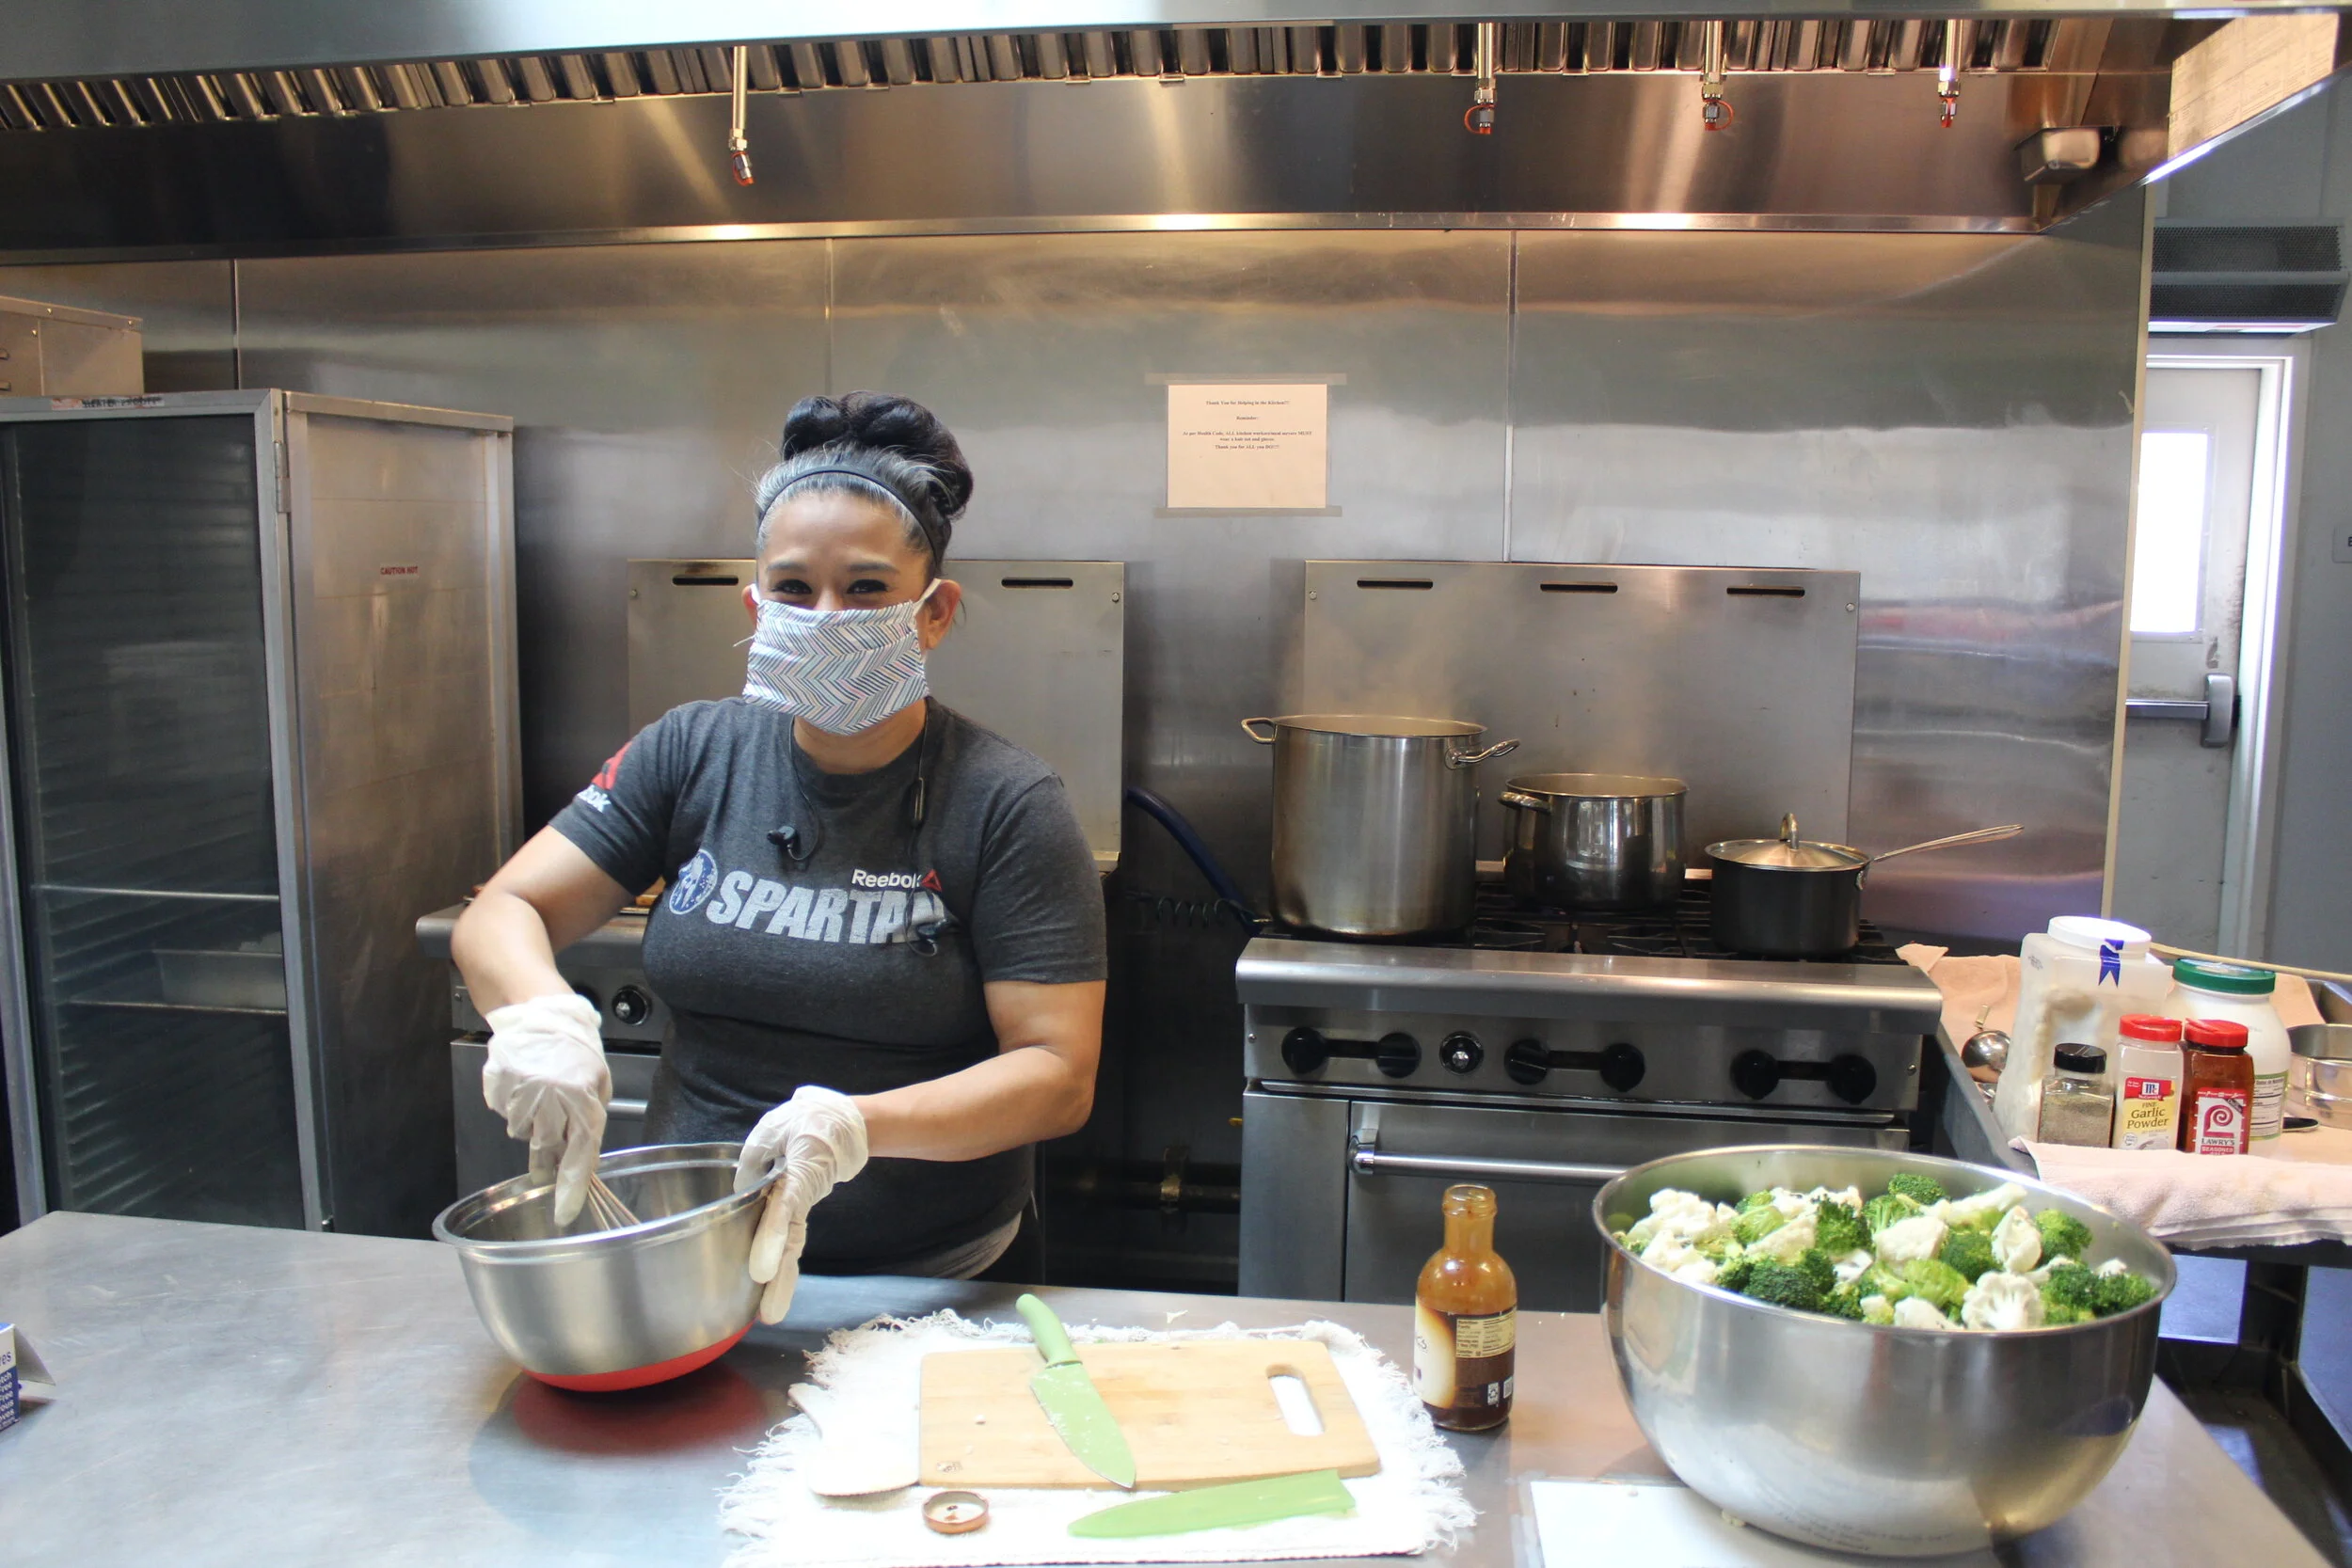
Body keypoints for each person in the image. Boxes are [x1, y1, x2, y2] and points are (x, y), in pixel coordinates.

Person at [451, 391, 1107, 1322]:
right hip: (696, 1260)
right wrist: (541, 1016)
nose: (826, 614)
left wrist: (857, 1125)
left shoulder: (1006, 802)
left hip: (934, 1282)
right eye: (795, 589)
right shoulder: (691, 752)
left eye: (867, 588)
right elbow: (504, 910)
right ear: (754, 604)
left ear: (934, 611)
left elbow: (1056, 1073)